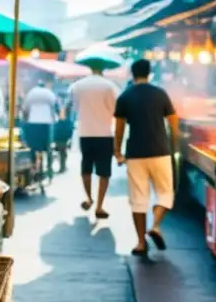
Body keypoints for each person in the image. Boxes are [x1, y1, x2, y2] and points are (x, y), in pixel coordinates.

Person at [114, 59, 178, 257]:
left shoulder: (125, 96)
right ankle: (156, 224)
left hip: (135, 153)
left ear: (132, 74)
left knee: (138, 199)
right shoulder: (160, 94)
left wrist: (117, 150)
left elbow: (119, 127)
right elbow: (173, 120)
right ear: (150, 73)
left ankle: (141, 243)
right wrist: (174, 142)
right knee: (166, 193)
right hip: (160, 151)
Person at [70, 62, 119, 218]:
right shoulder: (110, 86)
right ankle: (99, 206)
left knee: (86, 167)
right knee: (104, 172)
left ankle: (89, 198)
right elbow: (115, 110)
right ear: (103, 69)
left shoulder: (77, 86)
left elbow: (75, 108)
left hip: (85, 132)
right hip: (105, 133)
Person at [22, 80, 59, 179]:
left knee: (32, 148)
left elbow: (25, 109)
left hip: (33, 123)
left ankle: (33, 167)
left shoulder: (31, 93)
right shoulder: (49, 93)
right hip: (46, 124)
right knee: (48, 148)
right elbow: (56, 108)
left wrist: (25, 121)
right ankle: (49, 169)